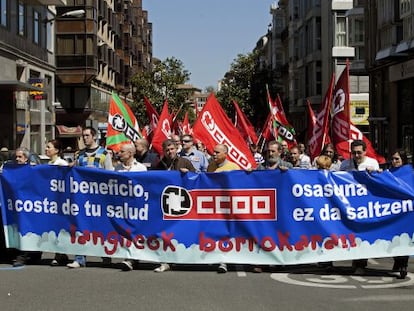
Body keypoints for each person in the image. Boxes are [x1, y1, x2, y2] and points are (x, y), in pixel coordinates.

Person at [67, 126, 114, 269]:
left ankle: (105, 255)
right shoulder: (79, 155)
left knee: (100, 226)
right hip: (82, 197)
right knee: (80, 225)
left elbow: (110, 175)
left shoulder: (104, 153)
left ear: (94, 136)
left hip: (99, 197)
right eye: (83, 136)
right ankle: (79, 258)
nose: (84, 138)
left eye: (87, 135)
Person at [154, 139, 196, 272]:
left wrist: (188, 174)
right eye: (167, 150)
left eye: (172, 149)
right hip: (166, 204)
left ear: (176, 148)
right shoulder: (160, 164)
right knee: (166, 233)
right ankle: (166, 261)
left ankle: (183, 258)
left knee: (182, 232)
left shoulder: (184, 162)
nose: (169, 152)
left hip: (183, 203)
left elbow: (197, 179)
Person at [339, 139, 380, 275]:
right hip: (349, 205)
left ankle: (361, 263)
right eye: (354, 153)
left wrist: (374, 172)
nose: (356, 156)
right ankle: (355, 261)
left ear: (365, 152)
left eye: (359, 153)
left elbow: (378, 181)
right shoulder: (345, 164)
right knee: (351, 233)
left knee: (363, 233)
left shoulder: (372, 163)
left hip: (365, 205)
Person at [207, 144, 240, 273]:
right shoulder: (210, 167)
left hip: (228, 207)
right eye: (213, 152)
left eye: (217, 152)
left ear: (225, 154)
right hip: (214, 207)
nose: (213, 154)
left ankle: (224, 261)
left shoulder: (233, 167)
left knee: (226, 234)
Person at [114, 143, 147, 272]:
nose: (119, 154)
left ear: (130, 154)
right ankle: (129, 258)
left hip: (136, 207)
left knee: (135, 232)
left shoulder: (141, 168)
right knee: (124, 232)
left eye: (122, 152)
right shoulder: (117, 168)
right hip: (122, 206)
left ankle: (132, 258)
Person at [12, 147, 43, 267]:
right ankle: (28, 253)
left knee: (29, 230)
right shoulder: (12, 171)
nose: (17, 159)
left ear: (26, 158)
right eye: (16, 157)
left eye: (20, 157)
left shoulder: (32, 170)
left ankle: (27, 255)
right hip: (19, 205)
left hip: (31, 205)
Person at [45, 139, 70, 266]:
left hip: (60, 201)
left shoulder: (62, 164)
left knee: (60, 227)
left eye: (49, 147)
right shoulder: (48, 163)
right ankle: (60, 254)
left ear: (57, 150)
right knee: (53, 227)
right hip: (50, 201)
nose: (46, 149)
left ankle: (59, 254)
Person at [389, 149, 410, 279]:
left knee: (405, 238)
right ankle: (397, 261)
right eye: (393, 159)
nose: (394, 161)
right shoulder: (389, 173)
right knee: (393, 238)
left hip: (406, 212)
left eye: (397, 159)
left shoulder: (410, 173)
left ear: (403, 160)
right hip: (392, 211)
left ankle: (403, 265)